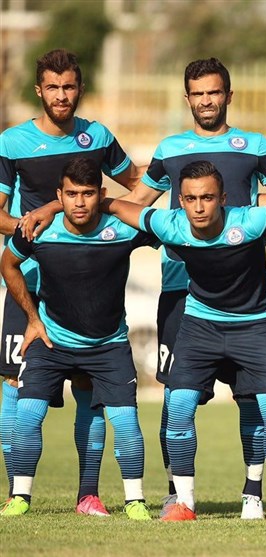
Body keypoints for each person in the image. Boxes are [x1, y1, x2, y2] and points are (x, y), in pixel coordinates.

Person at [120, 58, 266, 523]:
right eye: (198, 94)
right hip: (183, 291)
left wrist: (251, 215)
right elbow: (138, 203)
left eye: (213, 92)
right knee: (175, 396)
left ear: (228, 95)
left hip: (243, 287)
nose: (206, 101)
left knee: (253, 399)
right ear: (187, 99)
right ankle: (176, 494)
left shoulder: (254, 145)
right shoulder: (170, 149)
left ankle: (255, 492)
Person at [102, 160, 266, 522]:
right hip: (201, 325)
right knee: (179, 407)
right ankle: (184, 504)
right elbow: (120, 207)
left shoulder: (250, 221)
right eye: (191, 199)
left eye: (208, 198)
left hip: (257, 325)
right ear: (180, 201)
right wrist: (54, 208)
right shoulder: (170, 224)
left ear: (223, 198)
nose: (199, 207)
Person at [0, 49, 143, 516]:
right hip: (29, 282)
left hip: (83, 282)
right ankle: (16, 495)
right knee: (14, 385)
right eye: (53, 87)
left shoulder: (96, 136)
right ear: (38, 91)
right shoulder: (12, 142)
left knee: (89, 386)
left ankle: (88, 495)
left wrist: (74, 213)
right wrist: (39, 228)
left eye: (69, 87)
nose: (61, 95)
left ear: (79, 89)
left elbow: (137, 186)